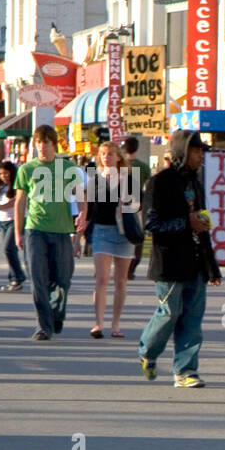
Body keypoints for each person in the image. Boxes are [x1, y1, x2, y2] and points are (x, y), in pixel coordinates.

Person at [137, 130, 221, 388]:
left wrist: (212, 266)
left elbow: (200, 221)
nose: (201, 157)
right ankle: (147, 352)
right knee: (169, 313)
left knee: (193, 320)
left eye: (202, 152)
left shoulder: (195, 182)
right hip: (170, 263)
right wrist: (187, 223)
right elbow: (150, 224)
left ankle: (185, 371)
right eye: (196, 151)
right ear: (182, 152)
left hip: (195, 262)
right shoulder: (160, 182)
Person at [14, 125, 84, 340]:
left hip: (62, 230)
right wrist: (18, 232)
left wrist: (82, 217)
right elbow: (20, 202)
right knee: (38, 279)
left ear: (54, 144)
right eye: (38, 143)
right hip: (35, 230)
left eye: (46, 142)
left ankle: (57, 313)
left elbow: (81, 195)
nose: (42, 147)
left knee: (63, 279)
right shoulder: (27, 169)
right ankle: (43, 326)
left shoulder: (68, 168)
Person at [85, 141, 137, 338]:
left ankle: (116, 324)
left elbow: (138, 205)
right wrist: (79, 232)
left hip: (124, 232)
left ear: (119, 157)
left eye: (111, 154)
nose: (107, 157)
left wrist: (127, 204)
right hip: (102, 231)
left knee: (121, 281)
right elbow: (88, 209)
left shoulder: (128, 179)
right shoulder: (95, 180)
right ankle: (98, 323)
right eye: (104, 154)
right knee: (101, 279)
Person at [0, 159, 26, 291]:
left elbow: (16, 202)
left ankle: (18, 277)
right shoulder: (0, 187)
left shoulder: (17, 185)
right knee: (9, 251)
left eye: (6, 173)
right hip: (3, 222)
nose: (3, 176)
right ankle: (14, 278)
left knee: (8, 249)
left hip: (15, 220)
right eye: (1, 174)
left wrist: (0, 207)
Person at [123, 136, 151, 280]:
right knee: (138, 238)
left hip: (122, 205)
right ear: (137, 148)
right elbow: (149, 187)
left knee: (124, 238)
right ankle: (132, 268)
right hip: (139, 205)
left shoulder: (121, 166)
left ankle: (124, 266)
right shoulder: (144, 167)